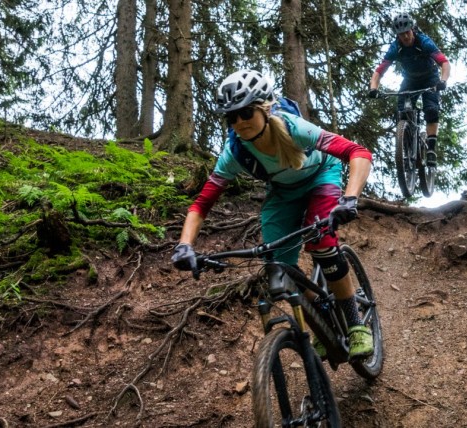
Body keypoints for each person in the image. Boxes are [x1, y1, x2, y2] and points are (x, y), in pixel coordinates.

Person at [171, 69, 374, 360]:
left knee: (321, 244)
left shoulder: (293, 128)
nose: (239, 122)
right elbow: (202, 204)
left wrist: (350, 199)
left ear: (265, 108)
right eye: (232, 117)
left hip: (321, 176)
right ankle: (323, 325)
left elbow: (358, 153)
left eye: (246, 113)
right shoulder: (235, 152)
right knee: (278, 267)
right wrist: (184, 245)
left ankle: (355, 324)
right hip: (284, 192)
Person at [369, 12, 451, 168]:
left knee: (431, 110)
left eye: (407, 32)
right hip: (410, 80)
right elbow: (379, 71)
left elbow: (444, 62)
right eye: (401, 34)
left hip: (430, 77)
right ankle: (407, 147)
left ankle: (431, 150)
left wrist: (443, 81)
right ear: (397, 35)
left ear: (412, 29)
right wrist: (373, 88)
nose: (405, 37)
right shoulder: (395, 48)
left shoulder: (424, 42)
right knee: (401, 112)